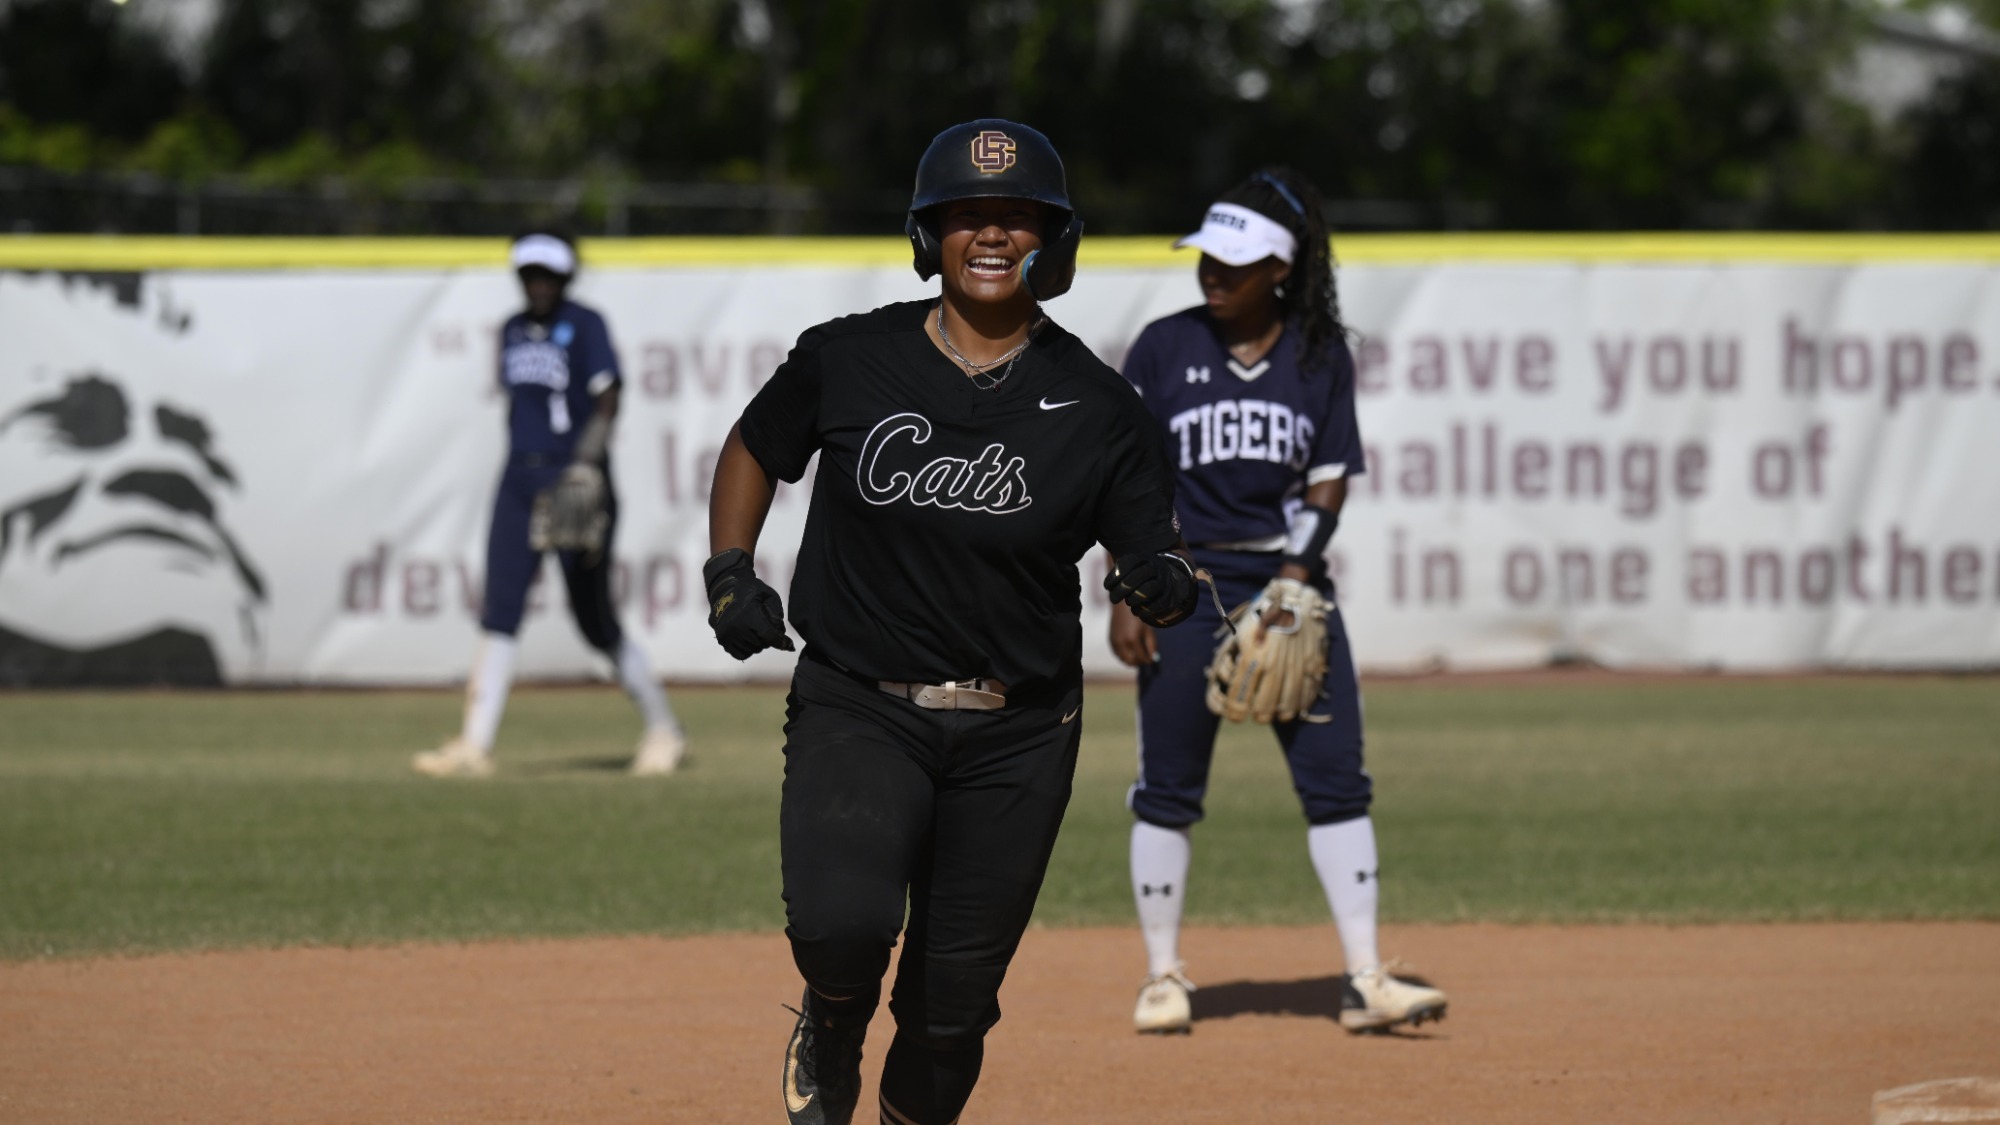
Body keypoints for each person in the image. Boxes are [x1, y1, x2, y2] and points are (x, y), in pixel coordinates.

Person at [705, 119, 1200, 1125]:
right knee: (842, 931)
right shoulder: (851, 357)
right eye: (966, 215)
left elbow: (1156, 551)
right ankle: (832, 1017)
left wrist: (1162, 583)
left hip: (1019, 730)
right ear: (928, 234)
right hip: (861, 700)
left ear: (1053, 239)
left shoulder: (1099, 406)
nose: (991, 234)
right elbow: (754, 446)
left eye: (1017, 216)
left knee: (950, 1010)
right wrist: (729, 569)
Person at [1110, 169, 1448, 1035]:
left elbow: (1329, 475)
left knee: (1337, 782)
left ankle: (1366, 977)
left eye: (1235, 262)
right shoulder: (1163, 346)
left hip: (1289, 584)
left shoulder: (1318, 355)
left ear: (1280, 270)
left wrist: (1297, 575)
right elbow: (1125, 476)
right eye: (1207, 257)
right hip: (1185, 584)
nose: (1212, 273)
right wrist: (1130, 586)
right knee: (1168, 785)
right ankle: (1161, 977)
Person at [414, 230, 686, 778]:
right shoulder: (513, 329)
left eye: (549, 275)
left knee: (593, 618)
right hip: (519, 478)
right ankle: (474, 744)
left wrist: (587, 461)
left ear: (566, 278)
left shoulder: (585, 323)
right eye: (530, 274)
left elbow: (608, 397)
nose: (538, 284)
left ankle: (664, 730)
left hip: (574, 477)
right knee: (500, 611)